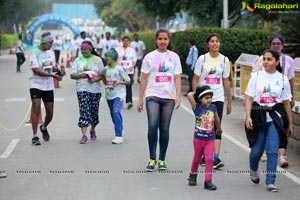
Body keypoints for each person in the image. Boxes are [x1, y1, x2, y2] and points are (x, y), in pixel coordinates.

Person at [245, 49, 293, 192]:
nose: (265, 62)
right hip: (258, 117)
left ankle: (270, 182)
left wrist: (290, 123)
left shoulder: (282, 79)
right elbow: (248, 98)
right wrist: (248, 116)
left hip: (275, 118)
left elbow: (286, 103)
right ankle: (253, 170)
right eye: (264, 59)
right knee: (256, 152)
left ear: (276, 62)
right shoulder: (256, 76)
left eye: (269, 59)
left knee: (273, 151)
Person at [137, 28, 182, 171]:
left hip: (168, 97)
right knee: (152, 126)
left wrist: (178, 96)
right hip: (153, 95)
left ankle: (162, 159)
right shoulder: (149, 57)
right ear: (156, 40)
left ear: (169, 40)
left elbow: (177, 77)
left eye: (165, 39)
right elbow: (143, 78)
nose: (163, 41)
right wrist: (140, 99)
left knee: (164, 128)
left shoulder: (174, 57)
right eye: (160, 39)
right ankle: (152, 159)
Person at [253, 35, 295, 168]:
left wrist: (291, 97)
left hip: (282, 97)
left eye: (278, 43)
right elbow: (256, 78)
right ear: (270, 45)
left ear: (282, 45)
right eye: (274, 43)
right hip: (266, 99)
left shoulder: (288, 60)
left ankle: (282, 155)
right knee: (266, 125)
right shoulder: (262, 59)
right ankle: (267, 151)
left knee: (283, 126)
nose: (276, 45)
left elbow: (291, 79)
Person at [192, 33, 231, 169]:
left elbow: (226, 80)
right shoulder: (202, 59)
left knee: (216, 126)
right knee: (205, 126)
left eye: (217, 41)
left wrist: (229, 100)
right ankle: (204, 156)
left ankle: (215, 157)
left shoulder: (225, 60)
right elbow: (196, 79)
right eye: (212, 41)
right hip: (203, 98)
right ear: (207, 44)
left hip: (218, 97)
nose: (215, 43)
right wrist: (197, 97)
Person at [28, 32, 62, 145]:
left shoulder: (50, 52)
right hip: (36, 84)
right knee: (36, 107)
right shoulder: (34, 53)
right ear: (43, 42)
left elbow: (50, 67)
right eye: (49, 42)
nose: (51, 45)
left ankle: (43, 127)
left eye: (52, 42)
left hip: (48, 86)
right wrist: (53, 76)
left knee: (50, 113)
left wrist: (57, 70)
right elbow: (36, 71)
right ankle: (35, 136)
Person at [187, 85, 222, 190]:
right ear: (200, 98)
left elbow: (216, 118)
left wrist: (219, 128)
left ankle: (208, 181)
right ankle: (192, 176)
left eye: (210, 97)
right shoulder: (197, 107)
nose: (209, 100)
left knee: (209, 159)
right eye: (206, 98)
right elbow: (189, 95)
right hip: (198, 139)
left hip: (210, 139)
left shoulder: (213, 107)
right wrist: (198, 92)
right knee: (196, 158)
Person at [70, 41, 104, 144]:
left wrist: (94, 79)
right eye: (82, 50)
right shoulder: (78, 60)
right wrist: (81, 76)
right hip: (82, 89)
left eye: (86, 50)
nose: (84, 52)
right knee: (84, 111)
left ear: (91, 49)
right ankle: (84, 135)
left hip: (95, 90)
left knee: (94, 112)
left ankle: (92, 129)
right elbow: (72, 75)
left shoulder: (97, 60)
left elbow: (102, 75)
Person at [101, 48, 130, 144]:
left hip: (119, 94)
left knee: (116, 111)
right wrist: (98, 78)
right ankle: (120, 129)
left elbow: (128, 81)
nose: (106, 59)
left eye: (108, 57)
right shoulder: (105, 69)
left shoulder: (119, 69)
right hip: (109, 95)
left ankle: (119, 136)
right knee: (113, 114)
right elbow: (102, 78)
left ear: (113, 58)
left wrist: (119, 83)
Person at [116, 36, 137, 109]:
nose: (125, 42)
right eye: (124, 41)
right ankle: (118, 101)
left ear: (129, 42)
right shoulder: (118, 49)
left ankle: (129, 101)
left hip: (129, 71)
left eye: (127, 41)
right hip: (120, 71)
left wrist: (132, 66)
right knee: (119, 86)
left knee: (129, 85)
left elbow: (134, 61)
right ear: (122, 41)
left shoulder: (132, 50)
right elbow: (115, 60)